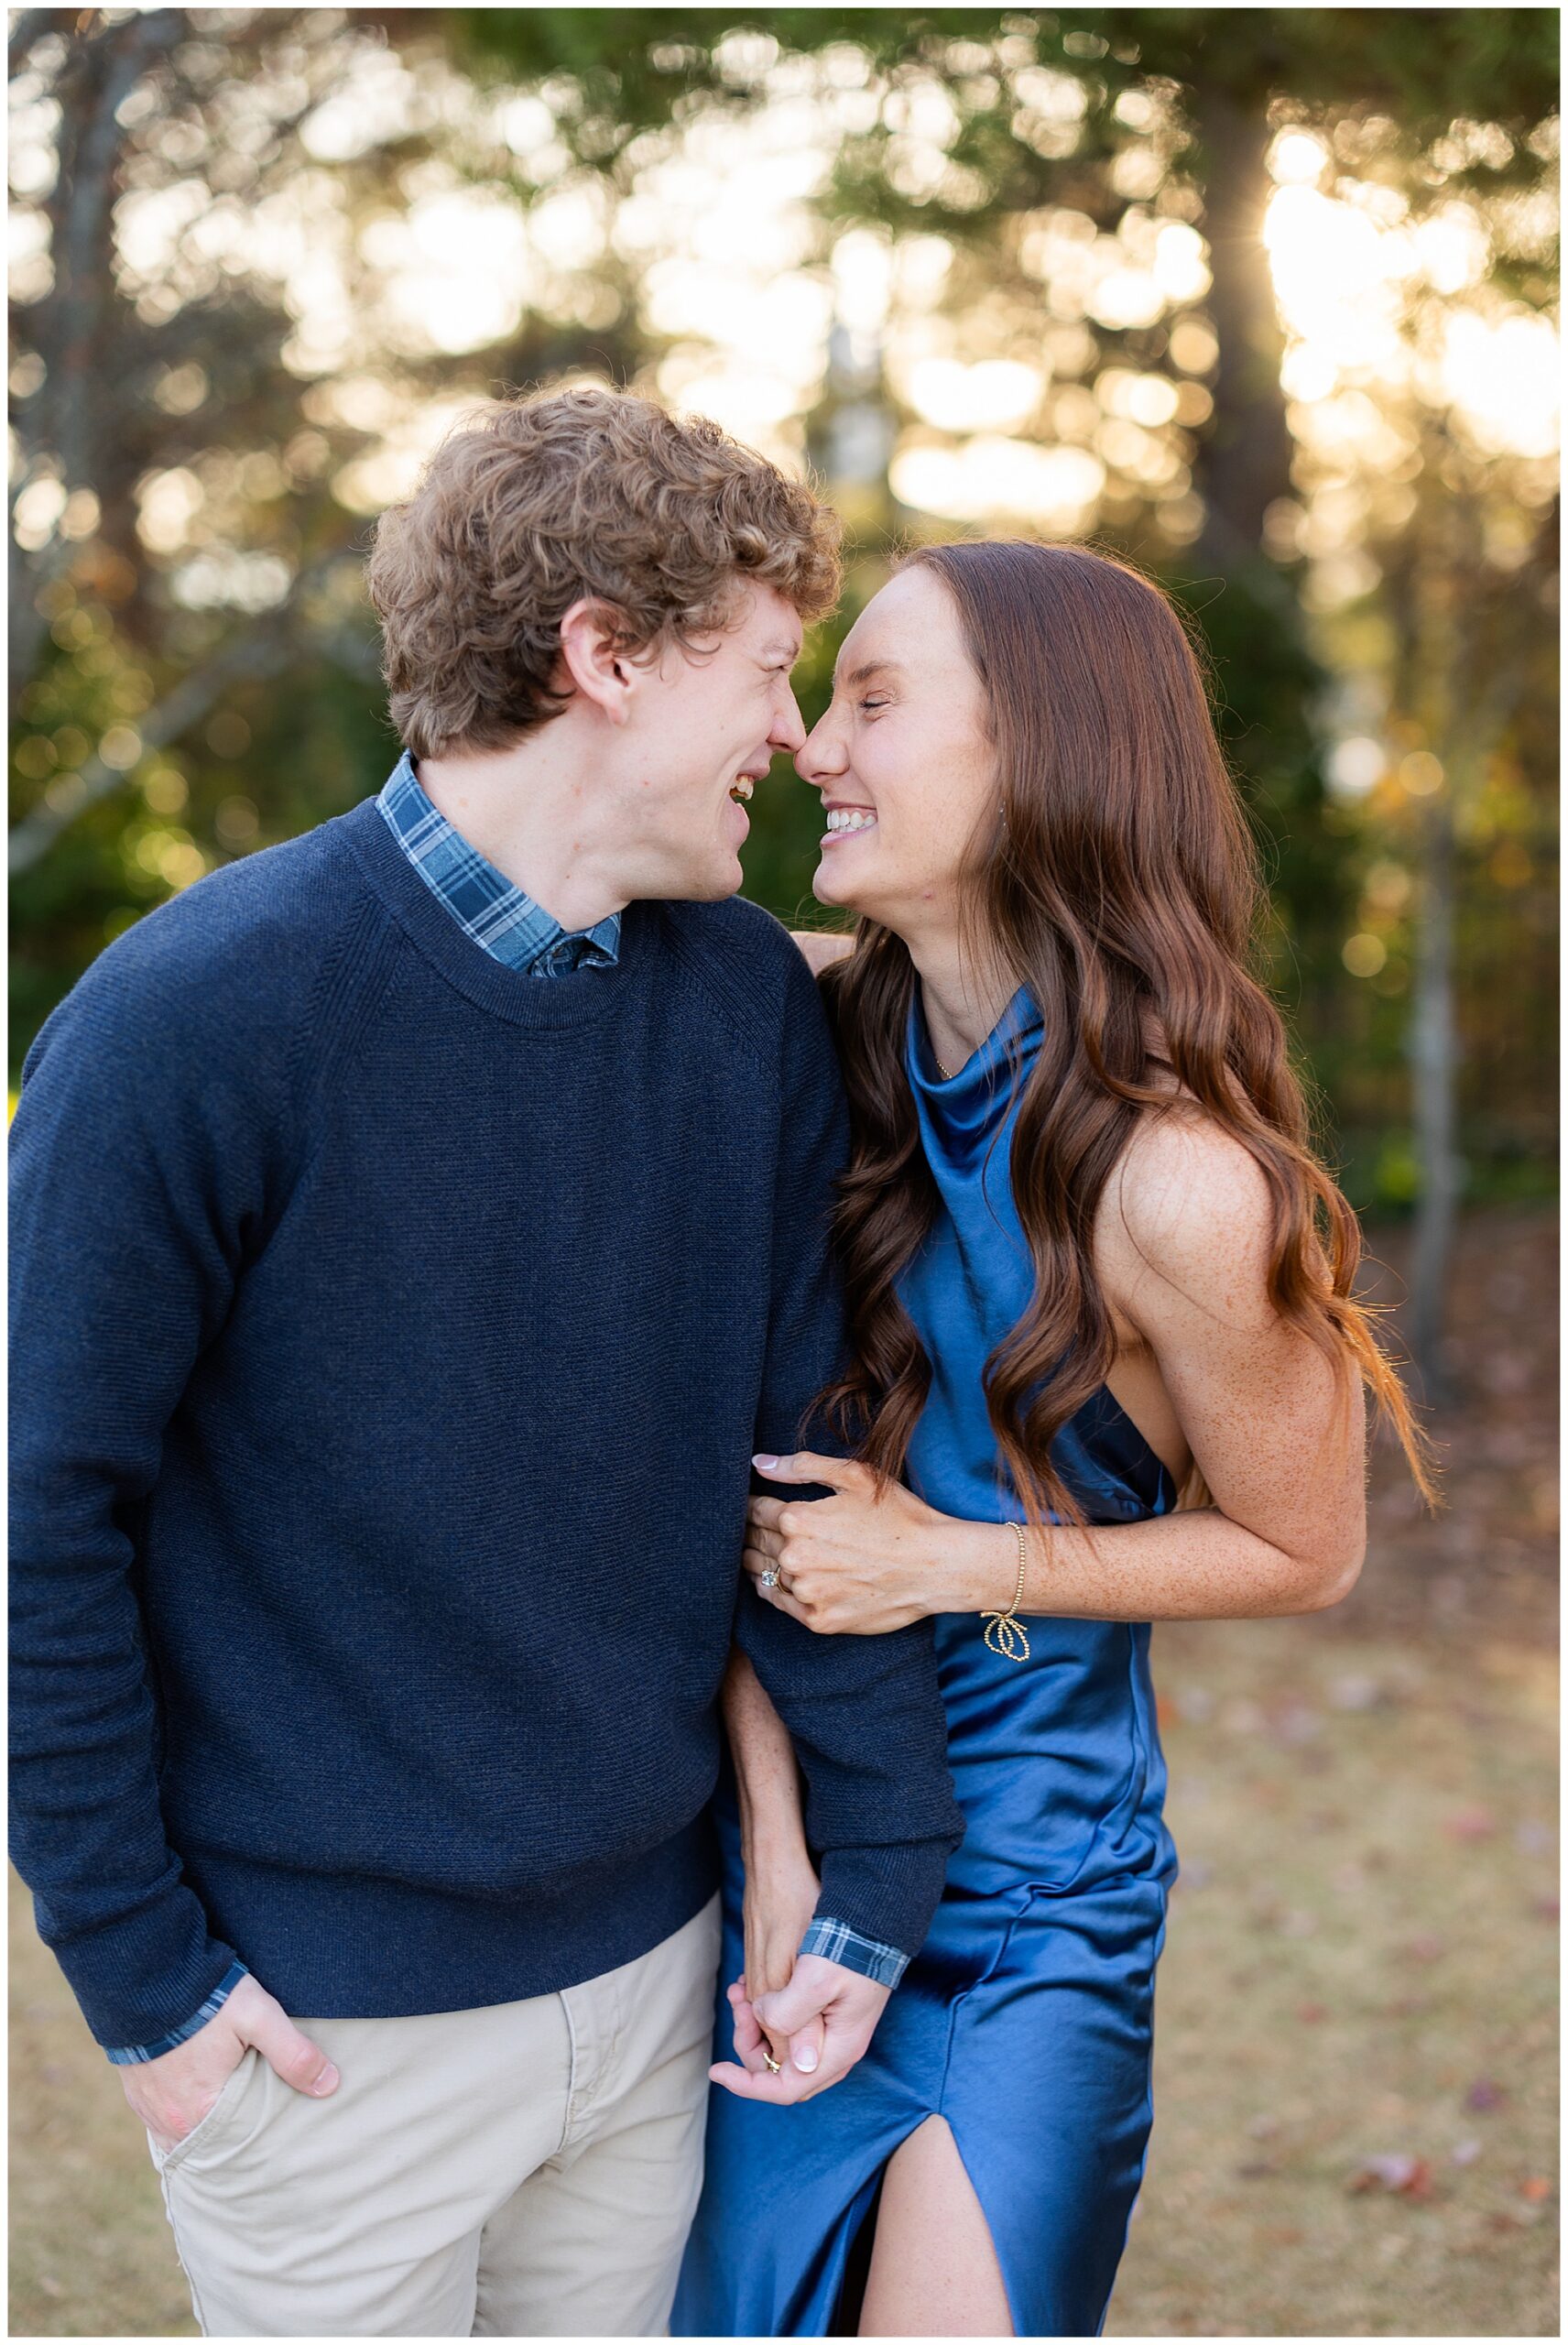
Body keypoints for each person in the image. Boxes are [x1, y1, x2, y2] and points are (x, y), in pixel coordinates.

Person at [8, 387, 964, 2339]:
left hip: (657, 1982)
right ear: (601, 655)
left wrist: (872, 1857)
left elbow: (799, 1453)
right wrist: (147, 1983)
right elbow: (36, 1519)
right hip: (322, 2033)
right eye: (769, 672)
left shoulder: (738, 1010)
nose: (793, 740)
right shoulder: (191, 1020)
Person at [673, 540, 1432, 2339]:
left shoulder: (1187, 1181)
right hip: (774, 1866)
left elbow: (1303, 1545)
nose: (811, 749)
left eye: (871, 700)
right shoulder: (788, 1029)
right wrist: (774, 1842)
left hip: (1028, 1914)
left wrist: (944, 1558)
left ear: (1041, 753)